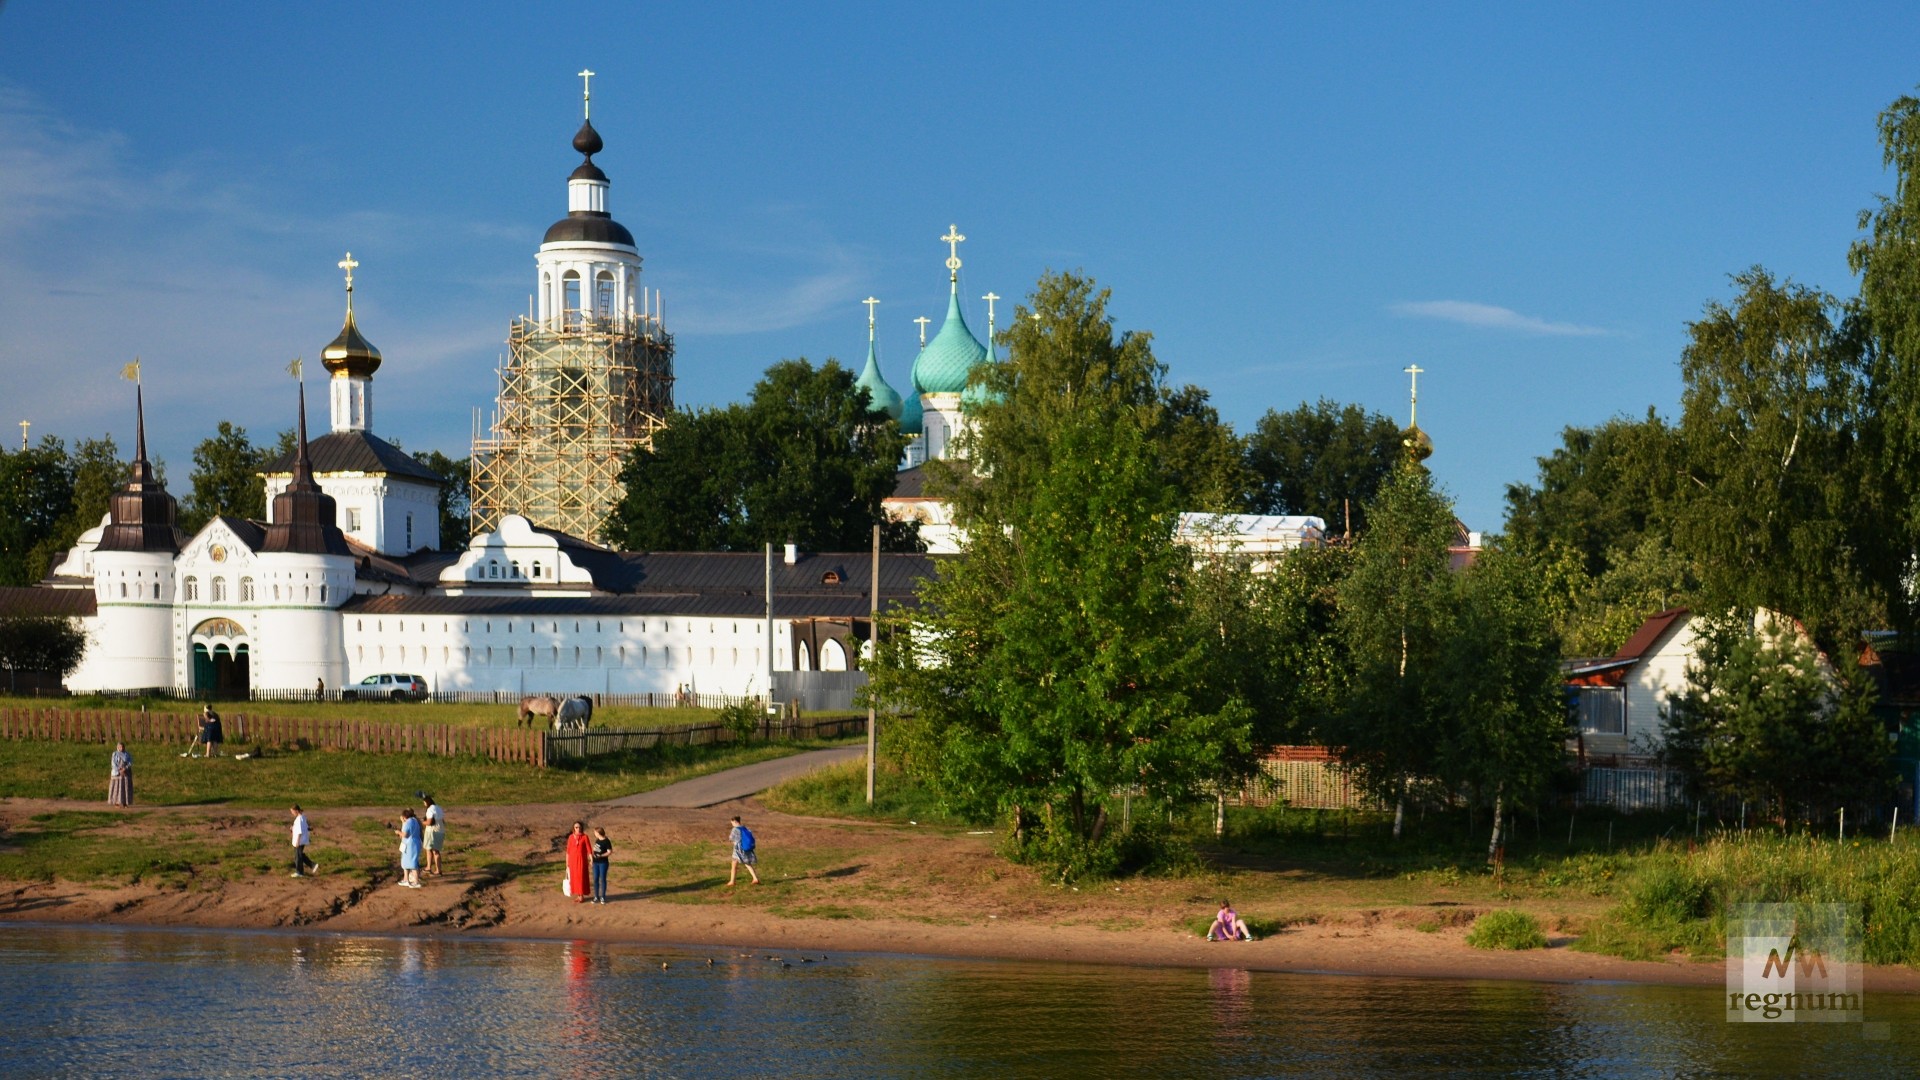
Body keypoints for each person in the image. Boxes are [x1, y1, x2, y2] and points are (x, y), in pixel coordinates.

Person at [392, 808, 423, 888]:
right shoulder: (414, 820)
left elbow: (405, 834)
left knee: (412, 863)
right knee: (405, 862)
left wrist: (398, 832)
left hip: (410, 845)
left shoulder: (408, 822)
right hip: (412, 843)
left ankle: (416, 881)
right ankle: (406, 879)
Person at [727, 815, 759, 887]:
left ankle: (732, 881)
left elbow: (731, 838)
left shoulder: (735, 829)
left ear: (735, 822)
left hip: (738, 850)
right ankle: (755, 878)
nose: (732, 824)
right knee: (747, 863)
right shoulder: (745, 828)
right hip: (746, 849)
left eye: (732, 823)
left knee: (734, 866)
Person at [564, 821, 592, 904]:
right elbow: (568, 851)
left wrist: (591, 859)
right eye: (576, 827)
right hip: (572, 861)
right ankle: (579, 895)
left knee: (581, 877)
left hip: (582, 860)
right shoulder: (570, 837)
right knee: (575, 878)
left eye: (579, 827)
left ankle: (581, 895)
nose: (578, 829)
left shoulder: (585, 837)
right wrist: (567, 863)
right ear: (573, 828)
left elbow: (589, 849)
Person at [290, 805, 317, 877]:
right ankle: (312, 865)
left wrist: (297, 841)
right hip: (302, 840)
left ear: (296, 810)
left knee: (298, 856)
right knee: (300, 855)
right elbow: (306, 827)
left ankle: (299, 872)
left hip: (299, 841)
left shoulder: (299, 819)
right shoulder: (302, 817)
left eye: (292, 812)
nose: (292, 813)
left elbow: (300, 831)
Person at [420, 793, 444, 877]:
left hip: (432, 832)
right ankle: (438, 869)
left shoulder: (430, 809)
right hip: (440, 831)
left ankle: (430, 867)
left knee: (429, 849)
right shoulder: (438, 808)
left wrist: (422, 822)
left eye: (424, 802)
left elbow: (430, 822)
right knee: (436, 851)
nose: (424, 803)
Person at [589, 826, 612, 905]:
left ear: (598, 833)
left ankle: (603, 896)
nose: (594, 834)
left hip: (603, 863)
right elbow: (594, 849)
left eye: (595, 832)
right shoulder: (597, 840)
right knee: (595, 879)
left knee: (602, 879)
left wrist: (601, 855)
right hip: (595, 863)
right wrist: (591, 860)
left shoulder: (606, 841)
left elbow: (609, 852)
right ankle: (596, 896)